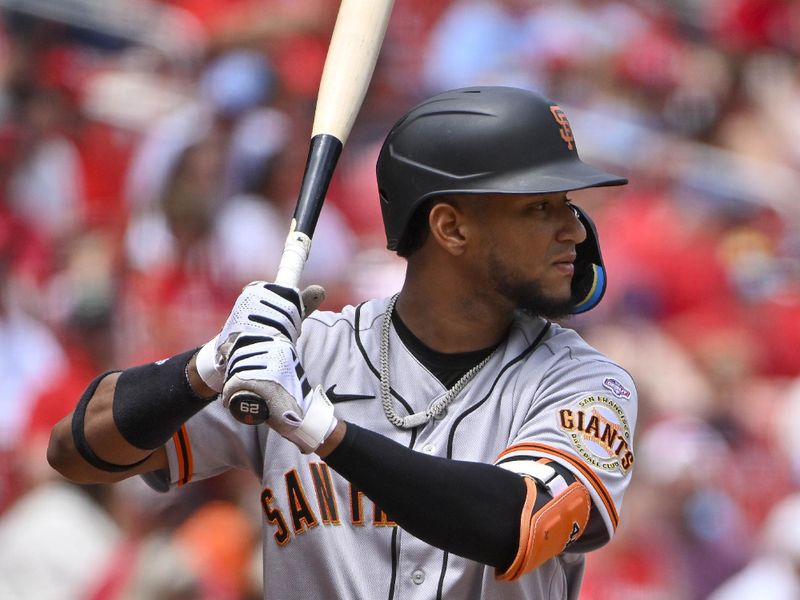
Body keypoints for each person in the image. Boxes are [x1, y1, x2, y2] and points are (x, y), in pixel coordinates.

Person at [49, 86, 637, 599]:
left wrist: (321, 432)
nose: (575, 228)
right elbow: (78, 452)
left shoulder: (587, 383)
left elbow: (521, 522)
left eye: (566, 204)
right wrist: (205, 365)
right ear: (451, 228)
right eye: (541, 207)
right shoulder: (307, 353)